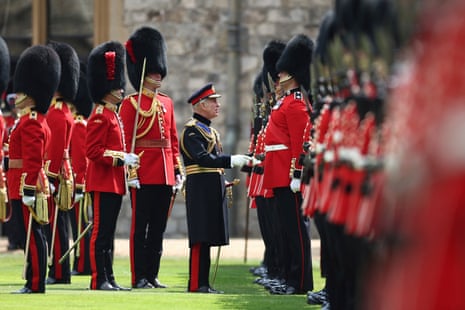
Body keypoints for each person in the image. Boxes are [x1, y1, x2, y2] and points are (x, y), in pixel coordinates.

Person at [120, 26, 183, 289]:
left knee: (157, 229)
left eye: (160, 72)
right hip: (143, 172)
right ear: (144, 74)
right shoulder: (130, 104)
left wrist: (178, 170)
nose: (159, 76)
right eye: (154, 72)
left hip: (165, 172)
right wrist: (130, 174)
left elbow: (173, 140)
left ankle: (152, 274)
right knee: (140, 228)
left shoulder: (167, 103)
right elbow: (125, 144)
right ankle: (139, 276)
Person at [180, 83, 252, 294]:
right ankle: (196, 284)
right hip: (200, 189)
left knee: (209, 237)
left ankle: (204, 283)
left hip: (210, 187)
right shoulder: (192, 130)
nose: (218, 105)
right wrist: (231, 160)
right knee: (200, 238)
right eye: (213, 102)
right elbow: (203, 159)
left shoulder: (209, 130)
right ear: (201, 105)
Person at [262, 34, 314, 295]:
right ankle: (289, 278)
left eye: (282, 71)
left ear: (292, 74)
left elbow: (300, 143)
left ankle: (300, 281)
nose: (277, 75)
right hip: (277, 171)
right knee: (285, 230)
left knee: (296, 231)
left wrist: (297, 174)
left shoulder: (295, 104)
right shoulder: (284, 102)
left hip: (288, 174)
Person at [86, 40, 139, 291]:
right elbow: (93, 152)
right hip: (102, 181)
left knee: (109, 233)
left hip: (115, 182)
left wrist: (127, 165)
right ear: (107, 89)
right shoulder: (99, 115)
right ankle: (99, 279)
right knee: (100, 233)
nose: (121, 90)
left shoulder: (113, 115)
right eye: (117, 87)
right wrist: (121, 158)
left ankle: (110, 277)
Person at [8, 45, 61, 293]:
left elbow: (33, 159)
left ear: (30, 95)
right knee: (32, 235)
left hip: (25, 184)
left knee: (34, 236)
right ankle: (32, 280)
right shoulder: (33, 120)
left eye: (21, 92)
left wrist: (28, 187)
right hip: (23, 182)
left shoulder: (31, 123)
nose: (16, 95)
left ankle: (37, 283)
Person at [44, 41, 80, 285]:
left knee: (56, 227)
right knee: (58, 225)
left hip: (56, 173)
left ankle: (58, 271)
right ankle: (60, 270)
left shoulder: (57, 114)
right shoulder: (61, 110)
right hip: (61, 172)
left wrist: (50, 176)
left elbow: (55, 149)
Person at [68, 61, 93, 276]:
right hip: (78, 181)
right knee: (81, 224)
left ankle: (83, 264)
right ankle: (81, 262)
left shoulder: (78, 125)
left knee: (81, 225)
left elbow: (80, 158)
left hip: (79, 182)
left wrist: (79, 184)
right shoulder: (80, 122)